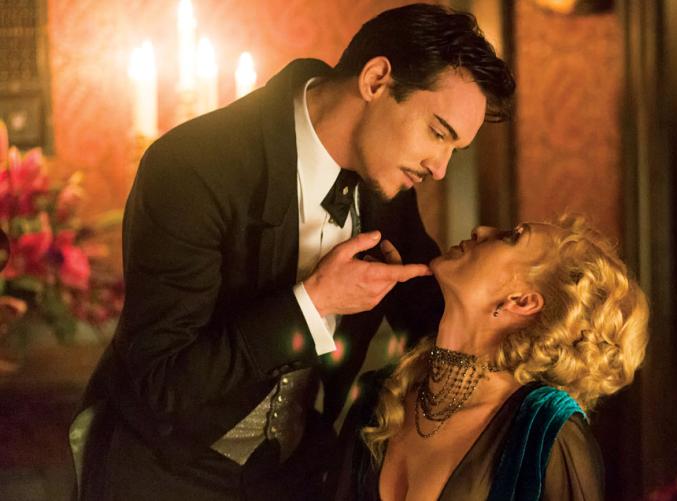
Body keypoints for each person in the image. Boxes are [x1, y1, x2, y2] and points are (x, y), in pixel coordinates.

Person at [70, 4, 515, 500]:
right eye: (438, 133)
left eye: (455, 149)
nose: (439, 169)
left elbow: (429, 315)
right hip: (159, 470)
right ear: (376, 80)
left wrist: (536, 366)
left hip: (292, 474)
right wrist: (314, 303)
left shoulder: (387, 179)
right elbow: (160, 386)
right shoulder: (190, 166)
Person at [330, 214, 650, 500]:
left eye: (511, 237)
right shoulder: (384, 397)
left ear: (521, 301)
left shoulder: (545, 431)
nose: (481, 230)